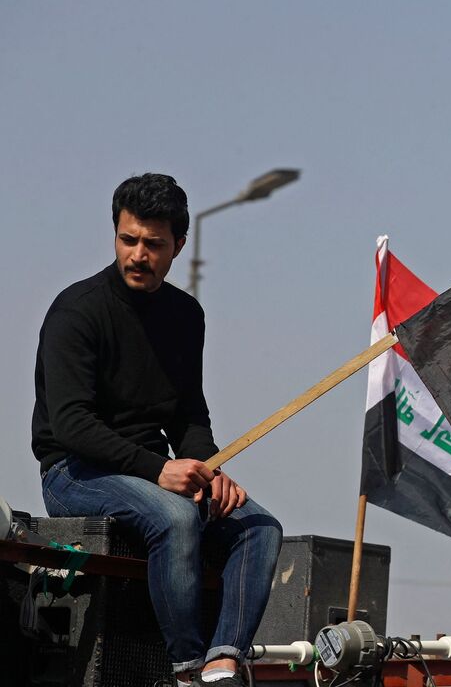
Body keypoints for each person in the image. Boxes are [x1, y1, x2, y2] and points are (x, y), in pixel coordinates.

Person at [31, 174, 282, 687]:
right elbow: (71, 424)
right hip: (74, 471)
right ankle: (186, 669)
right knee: (176, 518)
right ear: (116, 235)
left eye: (153, 244)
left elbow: (188, 413)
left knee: (259, 528)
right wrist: (159, 470)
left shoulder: (186, 316)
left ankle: (222, 664)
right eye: (129, 240)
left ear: (179, 247)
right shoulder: (76, 312)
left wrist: (209, 470)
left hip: (151, 472)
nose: (139, 255)